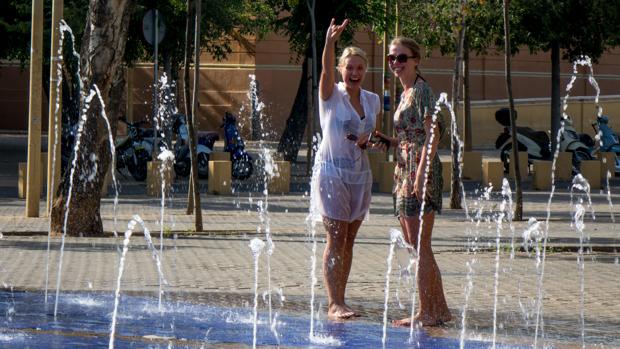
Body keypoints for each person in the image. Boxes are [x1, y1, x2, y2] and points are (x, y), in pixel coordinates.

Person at [374, 36, 452, 326]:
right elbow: (412, 136)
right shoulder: (405, 92)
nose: (395, 63)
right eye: (391, 58)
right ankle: (440, 309)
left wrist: (421, 173)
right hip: (405, 171)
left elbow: (433, 134)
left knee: (420, 245)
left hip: (419, 173)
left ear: (416, 60)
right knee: (416, 245)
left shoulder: (421, 91)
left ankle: (427, 311)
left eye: (401, 57)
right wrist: (388, 141)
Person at [310, 18, 380, 320]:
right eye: (349, 68)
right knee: (335, 238)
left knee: (349, 240)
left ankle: (343, 298)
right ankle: (333, 302)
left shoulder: (372, 100)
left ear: (365, 71)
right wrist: (329, 43)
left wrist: (371, 142)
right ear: (341, 69)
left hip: (359, 175)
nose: (354, 73)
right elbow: (324, 71)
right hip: (331, 173)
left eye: (359, 68)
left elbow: (373, 136)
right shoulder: (331, 95)